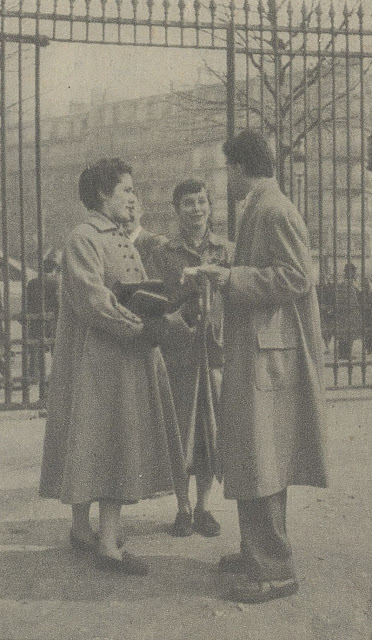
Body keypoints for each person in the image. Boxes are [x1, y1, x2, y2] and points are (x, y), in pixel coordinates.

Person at [194, 130, 327, 603]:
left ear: (241, 166)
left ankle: (275, 570)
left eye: (226, 167)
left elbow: (297, 276)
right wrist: (230, 266)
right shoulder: (262, 205)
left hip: (269, 358)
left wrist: (231, 276)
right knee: (253, 455)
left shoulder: (273, 209)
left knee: (262, 456)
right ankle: (256, 552)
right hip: (258, 351)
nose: (224, 177)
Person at [39, 158, 187, 574]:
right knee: (107, 443)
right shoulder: (84, 237)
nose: (134, 199)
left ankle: (84, 531)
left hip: (115, 361)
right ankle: (106, 543)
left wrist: (156, 311)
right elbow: (94, 302)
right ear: (103, 195)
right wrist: (146, 327)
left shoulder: (116, 235)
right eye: (127, 190)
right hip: (100, 364)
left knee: (95, 440)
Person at [150, 179, 234, 538]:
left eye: (202, 201)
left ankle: (204, 507)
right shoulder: (163, 253)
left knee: (211, 431)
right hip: (180, 352)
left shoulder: (226, 251)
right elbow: (153, 301)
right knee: (181, 429)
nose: (196, 209)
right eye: (188, 203)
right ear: (176, 209)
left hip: (216, 353)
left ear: (210, 207)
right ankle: (182, 507)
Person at [26, 255, 61, 380]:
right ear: (54, 270)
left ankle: (34, 374)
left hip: (34, 319)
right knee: (54, 347)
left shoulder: (31, 283)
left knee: (36, 348)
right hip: (50, 320)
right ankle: (56, 375)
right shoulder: (55, 283)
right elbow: (58, 302)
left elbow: (27, 302)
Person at [336, 263, 362, 360]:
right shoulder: (347, 283)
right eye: (353, 271)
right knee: (347, 332)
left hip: (348, 312)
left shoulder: (347, 283)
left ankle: (344, 353)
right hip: (348, 311)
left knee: (346, 332)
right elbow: (351, 298)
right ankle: (345, 354)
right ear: (349, 272)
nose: (355, 273)